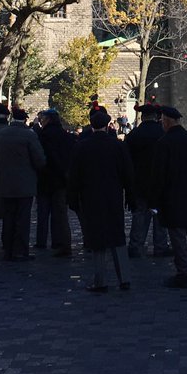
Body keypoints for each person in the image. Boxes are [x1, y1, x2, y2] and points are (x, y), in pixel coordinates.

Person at [67, 105, 135, 291]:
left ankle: (100, 280)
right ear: (107, 125)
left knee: (97, 238)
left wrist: (73, 198)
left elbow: (74, 175)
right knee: (117, 235)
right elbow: (127, 174)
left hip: (91, 196)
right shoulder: (118, 146)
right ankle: (124, 278)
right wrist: (130, 195)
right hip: (113, 195)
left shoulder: (82, 146)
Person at [151, 106, 187, 288]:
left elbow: (159, 174)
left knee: (178, 234)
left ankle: (184, 270)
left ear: (166, 121)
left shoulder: (164, 143)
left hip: (172, 195)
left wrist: (156, 198)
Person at [0, 103, 46, 261]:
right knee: (23, 218)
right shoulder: (29, 135)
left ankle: (7, 248)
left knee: (8, 217)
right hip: (25, 182)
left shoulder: (1, 134)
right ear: (24, 120)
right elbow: (39, 159)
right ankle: (20, 250)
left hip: (5, 181)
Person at [126, 103, 170, 258]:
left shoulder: (133, 135)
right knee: (160, 216)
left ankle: (136, 245)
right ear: (156, 116)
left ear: (142, 117)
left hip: (139, 182)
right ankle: (160, 246)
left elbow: (127, 161)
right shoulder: (163, 134)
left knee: (139, 216)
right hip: (159, 182)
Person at [35, 107, 75, 257]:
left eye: (43, 119)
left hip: (45, 179)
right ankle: (61, 242)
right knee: (60, 214)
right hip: (61, 180)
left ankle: (41, 240)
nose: (41, 121)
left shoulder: (42, 136)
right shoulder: (66, 136)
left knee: (43, 212)